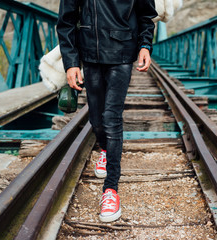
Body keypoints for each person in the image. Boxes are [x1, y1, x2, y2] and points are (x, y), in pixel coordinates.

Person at [57, 0, 157, 223]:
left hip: (122, 53)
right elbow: (66, 20)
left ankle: (110, 189)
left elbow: (146, 16)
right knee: (97, 121)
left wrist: (145, 46)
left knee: (111, 119)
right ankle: (104, 149)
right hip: (90, 55)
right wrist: (71, 62)